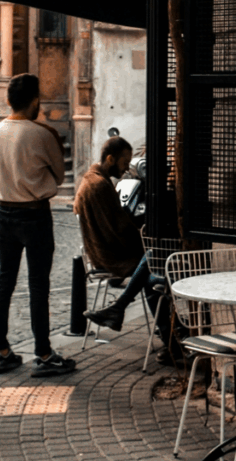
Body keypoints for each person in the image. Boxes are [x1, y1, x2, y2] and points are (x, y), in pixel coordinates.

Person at [0, 73, 76, 377]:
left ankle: (1, 350)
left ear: (9, 100)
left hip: (4, 213)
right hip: (35, 214)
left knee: (4, 282)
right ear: (36, 100)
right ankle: (44, 354)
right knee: (38, 286)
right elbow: (60, 177)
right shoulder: (41, 134)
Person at [76, 136, 181, 363]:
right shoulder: (100, 185)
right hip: (109, 255)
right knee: (153, 268)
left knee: (152, 271)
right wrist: (144, 233)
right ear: (111, 159)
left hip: (102, 251)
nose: (126, 168)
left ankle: (121, 309)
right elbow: (119, 230)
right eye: (124, 162)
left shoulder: (91, 179)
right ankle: (172, 341)